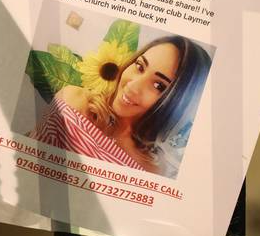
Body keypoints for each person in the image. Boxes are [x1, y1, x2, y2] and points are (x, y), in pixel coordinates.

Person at [28, 35, 212, 175]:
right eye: (139, 66)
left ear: (176, 105)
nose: (132, 86)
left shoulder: (149, 171)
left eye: (159, 86)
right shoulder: (75, 102)